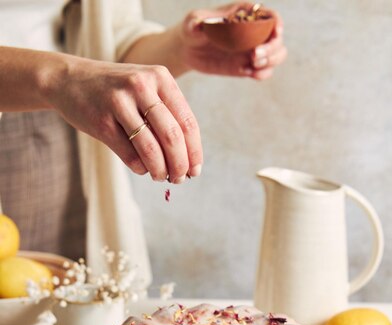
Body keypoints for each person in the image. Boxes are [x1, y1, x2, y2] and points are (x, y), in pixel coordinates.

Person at [0, 1, 287, 289]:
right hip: (53, 89)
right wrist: (57, 76)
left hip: (64, 127)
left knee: (48, 306)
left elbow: (109, 35)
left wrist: (179, 48)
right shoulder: (61, 78)